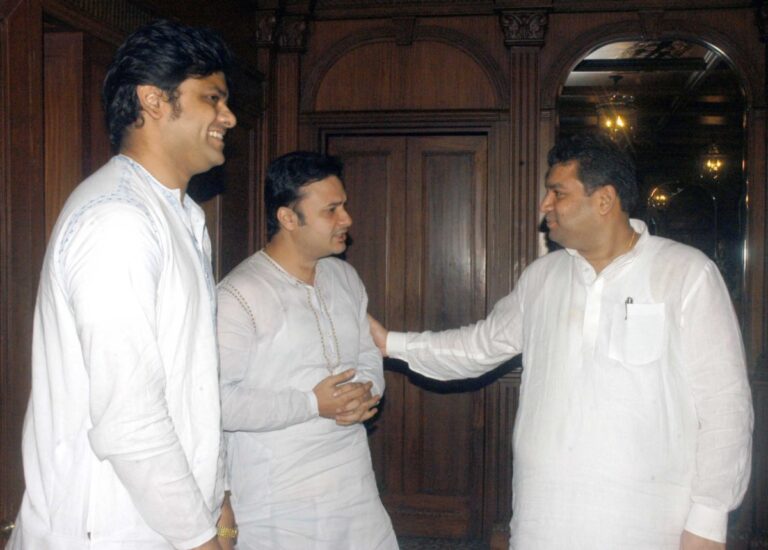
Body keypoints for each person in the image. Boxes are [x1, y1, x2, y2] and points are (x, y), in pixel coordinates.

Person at [369, 133, 753, 550]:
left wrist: (708, 521)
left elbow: (725, 404)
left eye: (558, 193)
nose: (544, 206)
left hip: (649, 521)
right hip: (543, 518)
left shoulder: (685, 273)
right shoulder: (543, 277)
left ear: (604, 200)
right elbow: (481, 346)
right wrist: (391, 344)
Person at [9, 20, 238, 549]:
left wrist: (218, 496)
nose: (228, 116)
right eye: (212, 98)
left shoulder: (181, 217)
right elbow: (128, 417)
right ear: (154, 101)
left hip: (167, 521)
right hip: (109, 526)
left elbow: (195, 388)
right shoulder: (118, 220)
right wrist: (200, 537)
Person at [217, 151, 398, 549]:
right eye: (331, 210)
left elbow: (367, 353)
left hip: (355, 489)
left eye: (344, 206)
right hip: (278, 504)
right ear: (287, 218)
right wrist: (312, 404)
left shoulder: (345, 277)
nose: (346, 218)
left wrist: (368, 389)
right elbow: (216, 402)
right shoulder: (238, 295)